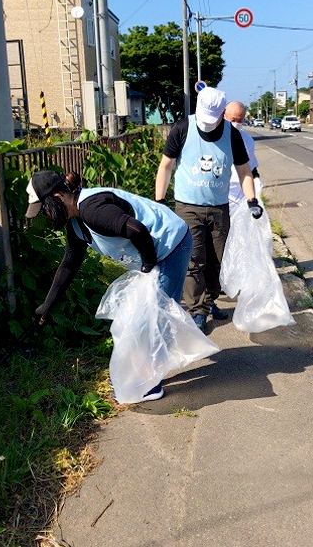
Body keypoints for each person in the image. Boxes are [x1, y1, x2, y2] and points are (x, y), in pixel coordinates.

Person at [25, 169, 192, 402]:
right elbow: (68, 267)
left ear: (58, 198)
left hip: (170, 243)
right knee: (135, 317)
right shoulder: (76, 224)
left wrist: (148, 266)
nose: (45, 215)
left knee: (155, 317)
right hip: (151, 253)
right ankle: (134, 373)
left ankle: (150, 383)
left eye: (43, 208)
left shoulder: (92, 211)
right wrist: (46, 307)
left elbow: (136, 229)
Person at [155, 87, 263, 332]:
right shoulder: (182, 128)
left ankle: (209, 301)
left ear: (221, 114)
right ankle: (197, 310)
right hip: (187, 207)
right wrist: (160, 202)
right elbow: (165, 167)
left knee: (216, 261)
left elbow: (245, 171)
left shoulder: (232, 135)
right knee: (193, 261)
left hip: (218, 208)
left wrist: (252, 201)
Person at [223, 101, 260, 207]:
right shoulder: (216, 137)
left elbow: (251, 168)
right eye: (233, 120)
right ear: (224, 116)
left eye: (239, 120)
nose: (236, 123)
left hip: (240, 193)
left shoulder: (247, 140)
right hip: (219, 193)